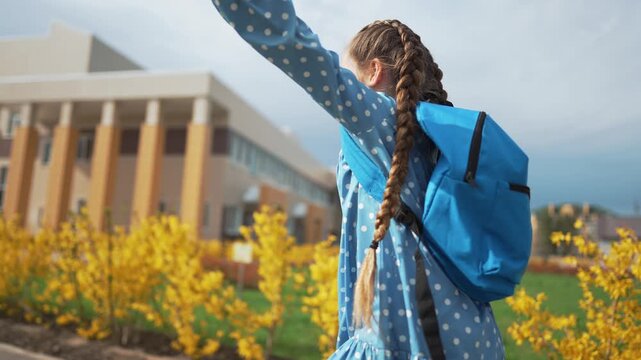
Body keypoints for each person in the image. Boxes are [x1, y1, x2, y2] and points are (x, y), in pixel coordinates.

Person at [210, 1, 505, 358]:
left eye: (350, 71)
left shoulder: (379, 123)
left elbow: (297, 48)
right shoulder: (441, 143)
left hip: (410, 337)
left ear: (373, 74)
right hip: (473, 334)